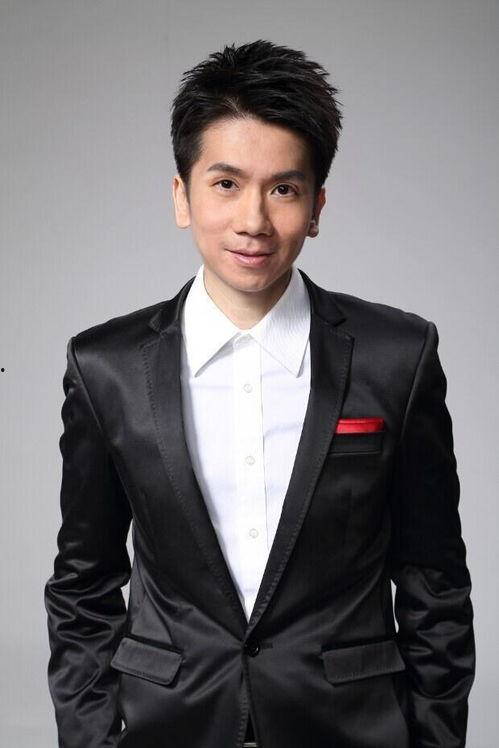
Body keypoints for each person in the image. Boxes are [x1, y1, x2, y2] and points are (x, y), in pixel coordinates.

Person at [44, 39, 475, 748]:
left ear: (316, 206)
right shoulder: (105, 366)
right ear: (181, 196)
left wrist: (433, 737)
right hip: (167, 726)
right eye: (225, 184)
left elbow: (435, 581)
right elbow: (82, 584)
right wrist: (92, 736)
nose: (253, 220)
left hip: (350, 727)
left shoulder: (397, 357)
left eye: (283, 189)